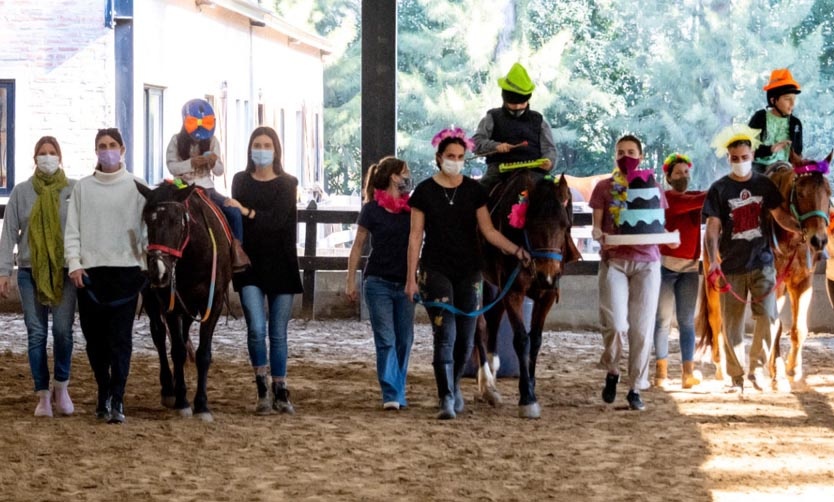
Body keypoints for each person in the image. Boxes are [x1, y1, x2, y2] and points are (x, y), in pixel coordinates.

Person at [405, 128, 531, 420]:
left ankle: (455, 385)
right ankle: (445, 396)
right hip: (435, 269)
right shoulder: (424, 192)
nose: (456, 161)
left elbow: (488, 231)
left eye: (460, 157)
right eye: (450, 156)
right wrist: (411, 278)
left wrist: (516, 251)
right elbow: (415, 237)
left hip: (469, 270)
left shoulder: (475, 192)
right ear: (439, 157)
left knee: (467, 336)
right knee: (445, 334)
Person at [703, 124, 802, 392]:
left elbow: (780, 215)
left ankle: (757, 369)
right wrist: (713, 260)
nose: (740, 163)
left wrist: (799, 228)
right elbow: (712, 227)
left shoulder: (764, 184)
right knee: (732, 325)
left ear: (751, 155)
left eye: (744, 158)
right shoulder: (719, 189)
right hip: (731, 265)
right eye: (735, 159)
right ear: (728, 158)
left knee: (769, 316)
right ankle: (736, 376)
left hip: (762, 262)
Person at [65, 128, 148, 424]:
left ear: (123, 149)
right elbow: (72, 229)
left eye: (112, 145)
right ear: (96, 151)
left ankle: (118, 396)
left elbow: (148, 229)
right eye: (102, 146)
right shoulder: (83, 188)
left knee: (120, 339)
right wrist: (74, 263)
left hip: (126, 272)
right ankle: (103, 390)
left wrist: (145, 262)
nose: (108, 150)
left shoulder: (137, 186)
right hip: (90, 274)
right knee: (94, 341)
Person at [0, 136, 78, 417]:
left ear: (60, 157)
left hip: (64, 272)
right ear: (35, 159)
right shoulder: (21, 192)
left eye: (52, 152)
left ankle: (61, 386)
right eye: (42, 153)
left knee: (62, 331)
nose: (47, 157)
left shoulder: (74, 190)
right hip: (29, 272)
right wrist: (4, 272)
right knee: (36, 333)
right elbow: (9, 232)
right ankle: (42, 394)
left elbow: (80, 229)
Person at [590, 134, 666, 411]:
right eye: (621, 152)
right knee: (615, 323)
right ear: (614, 156)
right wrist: (599, 233)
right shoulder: (603, 187)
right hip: (615, 261)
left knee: (642, 328)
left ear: (641, 156)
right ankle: (612, 369)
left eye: (631, 151)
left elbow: (658, 224)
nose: (626, 156)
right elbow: (596, 225)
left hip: (648, 263)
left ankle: (636, 387)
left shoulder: (652, 185)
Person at [230, 126, 302, 415]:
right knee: (256, 328)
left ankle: (281, 388)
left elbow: (277, 221)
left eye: (267, 144)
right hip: (249, 264)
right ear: (250, 149)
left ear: (276, 150)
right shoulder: (240, 180)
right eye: (257, 144)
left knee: (278, 332)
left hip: (281, 264)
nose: (261, 149)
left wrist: (247, 212)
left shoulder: (288, 184)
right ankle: (261, 386)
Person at [346, 156, 414, 411]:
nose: (408, 177)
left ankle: (399, 386)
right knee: (385, 338)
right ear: (394, 177)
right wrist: (350, 279)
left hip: (405, 281)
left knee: (404, 338)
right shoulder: (371, 209)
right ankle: (391, 393)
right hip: (377, 282)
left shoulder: (413, 208)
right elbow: (357, 246)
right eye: (404, 172)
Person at [166, 98, 249, 271]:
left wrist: (212, 162)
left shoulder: (212, 141)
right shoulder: (176, 140)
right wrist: (191, 163)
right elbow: (171, 166)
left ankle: (237, 250)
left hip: (207, 189)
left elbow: (219, 171)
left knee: (233, 211)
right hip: (182, 188)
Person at [652, 153, 707, 389]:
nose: (683, 176)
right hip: (665, 265)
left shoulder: (695, 198)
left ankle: (687, 372)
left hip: (690, 268)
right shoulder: (665, 199)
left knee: (686, 321)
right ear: (668, 177)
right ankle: (661, 373)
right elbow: (691, 202)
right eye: (678, 173)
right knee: (663, 320)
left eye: (686, 172)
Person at [472, 62, 557, 193]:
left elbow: (549, 148)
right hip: (499, 172)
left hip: (535, 172)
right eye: (513, 103)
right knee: (477, 196)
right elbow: (475, 143)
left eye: (521, 103)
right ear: (505, 99)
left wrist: (549, 162)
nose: (517, 107)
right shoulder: (492, 117)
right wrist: (495, 146)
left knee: (559, 194)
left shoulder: (539, 120)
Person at [748, 68, 802, 174]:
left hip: (785, 169)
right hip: (760, 168)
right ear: (773, 100)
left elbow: (798, 152)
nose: (792, 104)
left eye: (794, 99)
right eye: (787, 99)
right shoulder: (760, 117)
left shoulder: (796, 123)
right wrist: (771, 149)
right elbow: (747, 148)